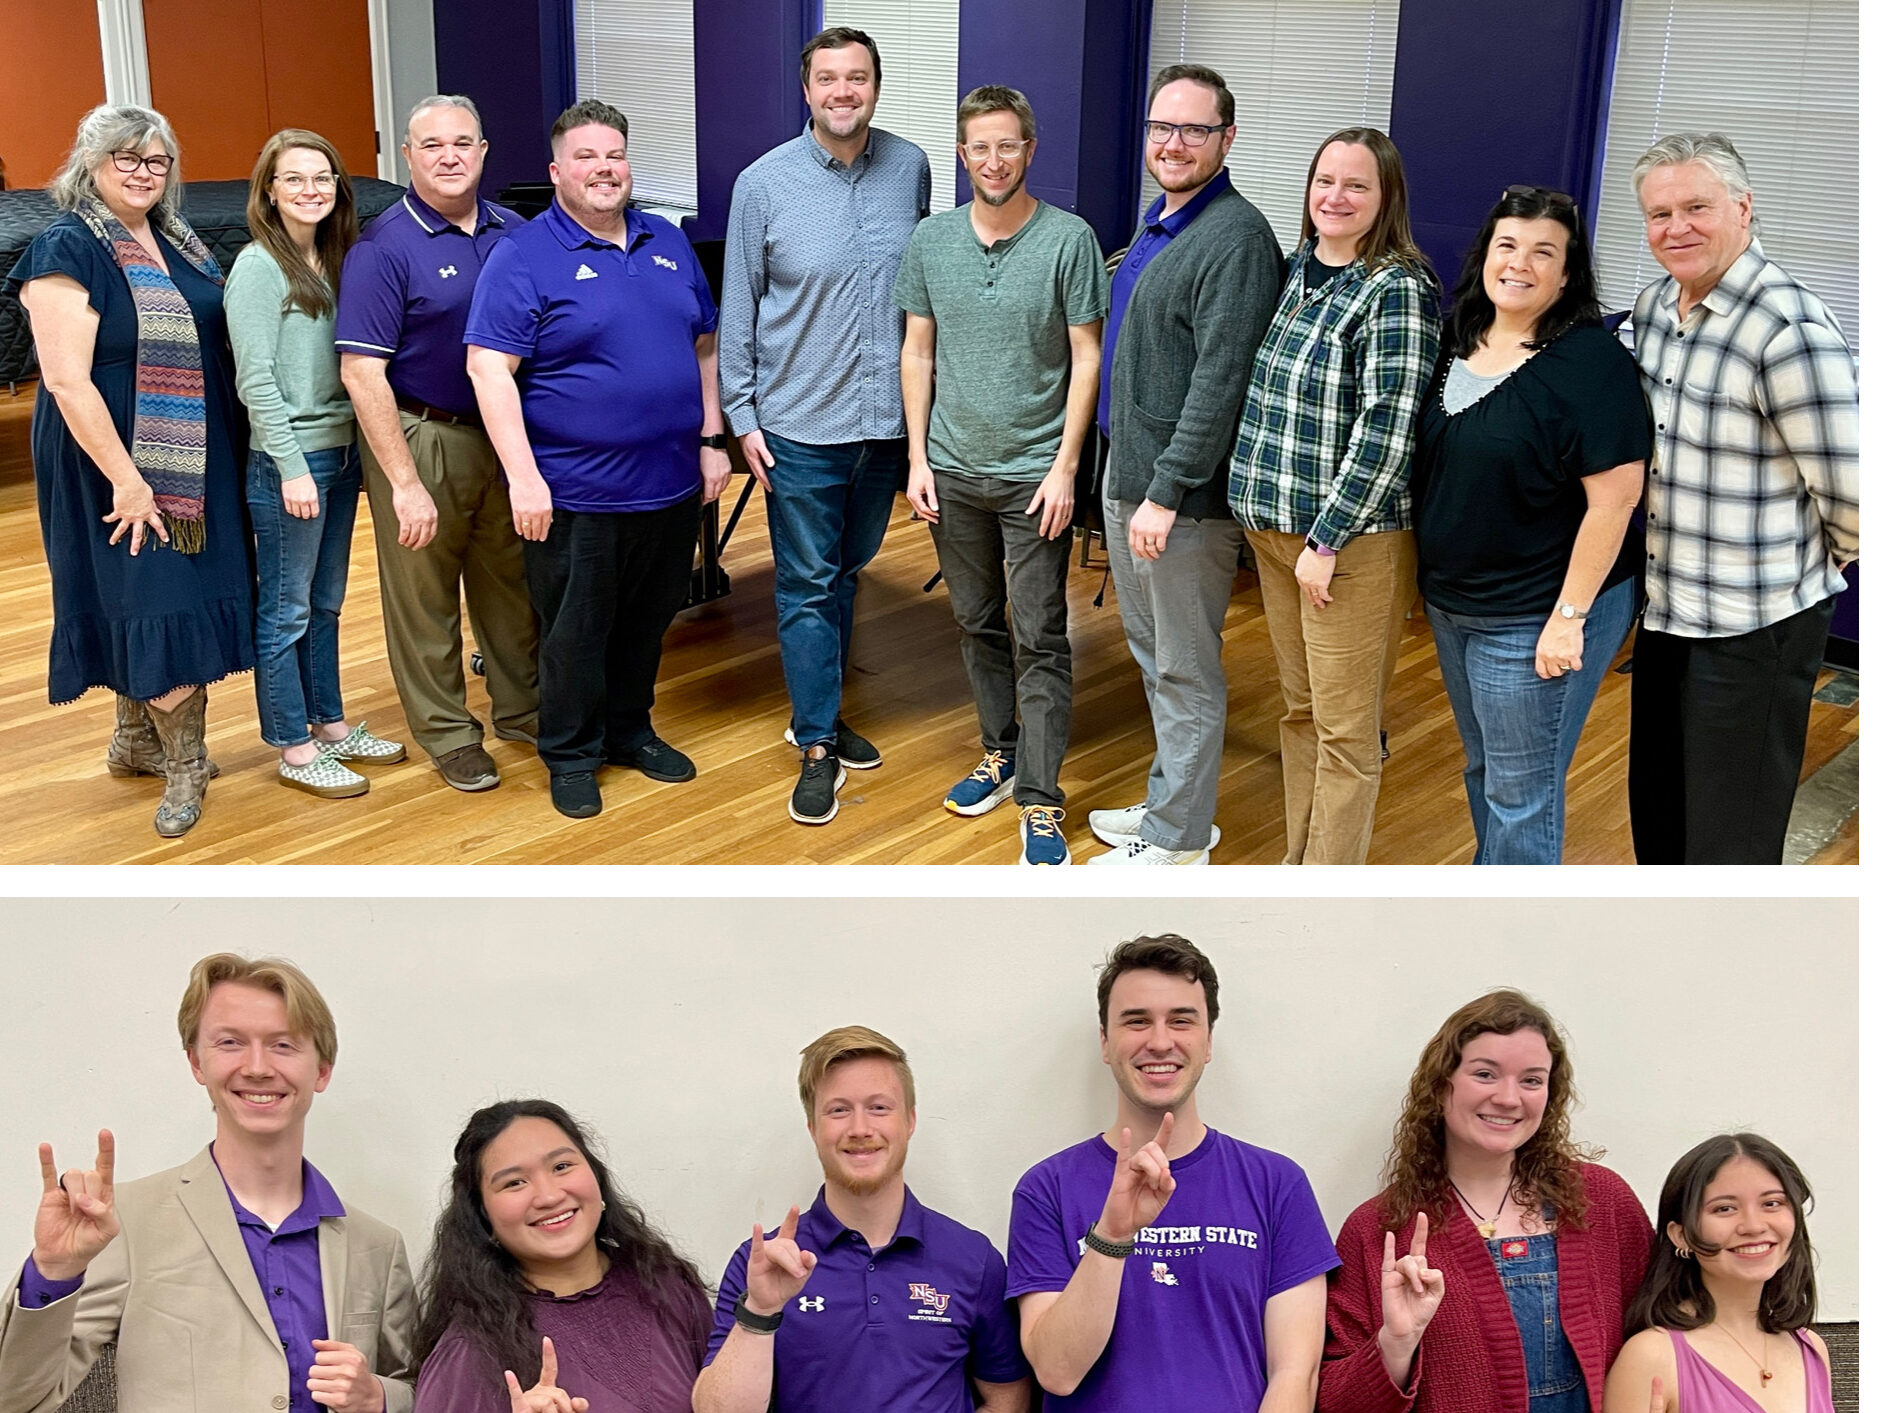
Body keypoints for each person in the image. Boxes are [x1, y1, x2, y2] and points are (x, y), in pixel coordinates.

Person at [0, 953, 416, 1413]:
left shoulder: (378, 1247)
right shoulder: (123, 1224)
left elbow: (425, 1389)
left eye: (283, 1045)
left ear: (321, 1069)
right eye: (231, 1043)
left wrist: (379, 1397)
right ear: (197, 1063)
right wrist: (53, 1271)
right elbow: (16, 1398)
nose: (257, 1067)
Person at [466, 99, 730, 820]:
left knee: (647, 622)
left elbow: (704, 346)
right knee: (575, 634)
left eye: (614, 154)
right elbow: (489, 370)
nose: (604, 168)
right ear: (557, 172)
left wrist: (712, 441)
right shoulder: (524, 255)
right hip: (575, 490)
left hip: (670, 483)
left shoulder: (666, 239)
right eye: (585, 156)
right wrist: (524, 477)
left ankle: (629, 731)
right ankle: (572, 753)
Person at [6, 105, 253, 837]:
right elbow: (65, 380)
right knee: (155, 593)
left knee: (163, 591)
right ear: (91, 162)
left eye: (156, 161)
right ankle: (184, 766)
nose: (144, 173)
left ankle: (137, 739)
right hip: (110, 451)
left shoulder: (177, 237)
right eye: (127, 158)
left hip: (193, 447)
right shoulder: (66, 246)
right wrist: (128, 479)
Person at [1625, 133, 1859, 864]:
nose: (1677, 228)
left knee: (1731, 840)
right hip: (1666, 610)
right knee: (1658, 818)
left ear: (1743, 208)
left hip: (1755, 623)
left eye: (1696, 207)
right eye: (1660, 214)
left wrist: (1800, 571)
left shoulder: (1788, 327)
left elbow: (1854, 491)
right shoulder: (1653, 308)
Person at [721, 27, 930, 826]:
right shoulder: (762, 184)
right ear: (806, 90)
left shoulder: (911, 167)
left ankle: (824, 708)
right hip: (799, 425)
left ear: (876, 85)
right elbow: (739, 305)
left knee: (845, 573)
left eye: (858, 77)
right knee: (807, 585)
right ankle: (816, 744)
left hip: (884, 426)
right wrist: (742, 415)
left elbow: (918, 294)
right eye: (828, 79)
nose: (844, 91)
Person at [897, 85, 1107, 865]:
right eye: (980, 147)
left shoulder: (1070, 240)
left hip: (1033, 478)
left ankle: (1041, 798)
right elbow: (918, 350)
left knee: (1040, 634)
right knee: (977, 621)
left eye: (1007, 145)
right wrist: (917, 458)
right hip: (951, 470)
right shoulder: (931, 241)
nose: (994, 160)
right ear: (962, 155)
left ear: (1030, 150)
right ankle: (1001, 750)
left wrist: (1065, 469)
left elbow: (1087, 358)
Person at [1410, 186, 1647, 864]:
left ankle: (1510, 914)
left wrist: (1569, 618)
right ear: (1485, 255)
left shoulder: (1590, 362)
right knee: (1485, 769)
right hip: (1456, 605)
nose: (1519, 263)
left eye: (1544, 252)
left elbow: (1615, 501)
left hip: (1537, 611)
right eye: (1507, 245)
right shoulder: (1456, 336)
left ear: (1567, 274)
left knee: (1522, 793)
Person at [1085, 66, 1284, 866]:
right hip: (1129, 474)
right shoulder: (1161, 221)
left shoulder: (1235, 239)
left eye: (1194, 129)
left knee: (1185, 669)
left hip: (1179, 498)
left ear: (1227, 139)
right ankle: (1175, 801)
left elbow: (1220, 381)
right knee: (1155, 657)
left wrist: (1166, 492)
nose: (1174, 143)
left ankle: (1179, 841)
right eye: (1161, 127)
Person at [1226, 126, 1440, 866]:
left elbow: (1388, 427)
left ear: (1387, 197)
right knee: (1301, 713)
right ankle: (1299, 866)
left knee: (1346, 733)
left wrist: (1327, 539)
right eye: (1325, 181)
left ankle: (1325, 890)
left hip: (1348, 545)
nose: (1336, 197)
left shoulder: (1396, 289)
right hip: (1274, 534)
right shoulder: (1295, 270)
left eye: (1356, 185)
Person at [1006, 936, 1333, 1409]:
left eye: (1181, 1020)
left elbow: (1295, 1377)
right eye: (1136, 1021)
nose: (1160, 1042)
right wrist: (1113, 1235)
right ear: (1105, 1042)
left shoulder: (1277, 1184)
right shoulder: (1046, 1189)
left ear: (1208, 1041)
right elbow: (1057, 1372)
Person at [338, 95, 540, 794]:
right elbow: (361, 373)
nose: (449, 157)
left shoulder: (515, 233)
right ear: (407, 156)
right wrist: (403, 482)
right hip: (423, 433)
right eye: (432, 145)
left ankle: (524, 709)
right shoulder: (383, 247)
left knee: (511, 584)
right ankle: (450, 732)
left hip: (504, 434)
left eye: (462, 143)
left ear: (483, 151)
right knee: (424, 596)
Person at [1320, 989, 1652, 1413]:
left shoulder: (1603, 1202)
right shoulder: (1380, 1229)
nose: (1509, 1098)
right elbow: (1333, 1402)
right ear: (1441, 1086)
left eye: (1531, 1080)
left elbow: (1672, 1337)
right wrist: (1395, 1344)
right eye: (1485, 1074)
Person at [693, 1026, 1029, 1413]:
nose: (860, 1129)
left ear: (910, 1121)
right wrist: (760, 1311)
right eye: (838, 1110)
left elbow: (1009, 1397)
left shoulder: (973, 1259)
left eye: (879, 1108)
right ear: (813, 1128)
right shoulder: (764, 1264)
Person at [227, 128, 404, 800]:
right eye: (294, 179)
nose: (310, 190)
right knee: (286, 609)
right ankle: (293, 746)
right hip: (290, 461)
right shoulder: (258, 267)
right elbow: (255, 381)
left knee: (325, 604)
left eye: (322, 177)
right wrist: (291, 466)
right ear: (269, 192)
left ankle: (329, 724)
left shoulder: (337, 261)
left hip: (340, 453)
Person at [413, 1099, 710, 1413]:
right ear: (482, 1216)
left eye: (561, 1167)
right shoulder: (469, 1353)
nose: (549, 1196)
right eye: (514, 1183)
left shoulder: (666, 1287)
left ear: (597, 1176)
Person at [1606, 1134, 1832, 1413]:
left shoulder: (1811, 1348)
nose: (1754, 1226)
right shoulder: (1651, 1356)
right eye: (1725, 1208)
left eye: (1772, 1203)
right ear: (1681, 1235)